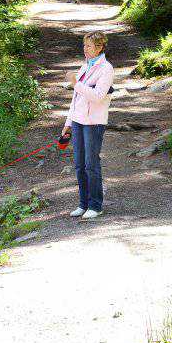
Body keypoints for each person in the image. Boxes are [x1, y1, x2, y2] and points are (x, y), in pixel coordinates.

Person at [61, 31, 114, 219]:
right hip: (78, 121)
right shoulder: (85, 66)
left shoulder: (106, 69)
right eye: (84, 46)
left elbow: (98, 96)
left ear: (100, 48)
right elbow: (76, 98)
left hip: (94, 123)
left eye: (89, 46)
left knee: (91, 165)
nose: (85, 49)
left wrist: (76, 83)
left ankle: (96, 205)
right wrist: (68, 123)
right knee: (79, 165)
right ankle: (83, 204)